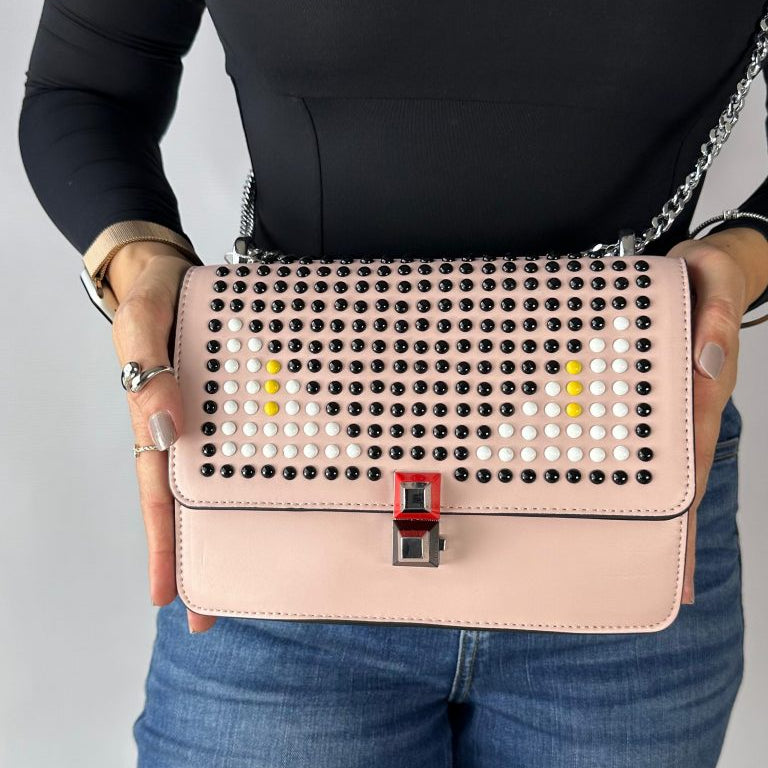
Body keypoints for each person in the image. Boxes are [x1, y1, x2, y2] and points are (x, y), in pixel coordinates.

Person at [17, 1, 768, 765]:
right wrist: (139, 260)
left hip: (626, 507)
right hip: (276, 495)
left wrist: (744, 257)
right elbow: (86, 86)